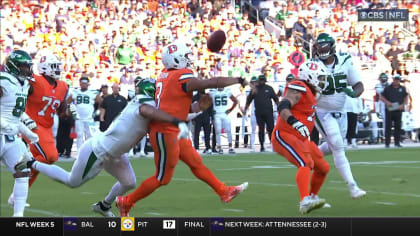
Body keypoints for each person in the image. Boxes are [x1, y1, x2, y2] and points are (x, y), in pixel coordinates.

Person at [15, 79, 190, 217]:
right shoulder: (143, 104)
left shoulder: (148, 104)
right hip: (98, 150)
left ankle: (104, 206)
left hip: (115, 154)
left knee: (129, 182)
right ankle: (31, 162)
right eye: (158, 90)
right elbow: (150, 112)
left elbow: (170, 113)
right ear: (151, 91)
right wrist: (177, 120)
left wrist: (195, 111)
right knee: (72, 182)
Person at [116, 41, 249, 217]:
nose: (189, 59)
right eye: (186, 56)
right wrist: (237, 80)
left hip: (173, 129)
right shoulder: (181, 75)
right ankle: (126, 201)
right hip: (165, 131)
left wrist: (197, 108)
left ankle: (223, 191)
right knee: (162, 178)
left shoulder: (165, 75)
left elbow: (175, 107)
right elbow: (210, 82)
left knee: (195, 162)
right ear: (176, 59)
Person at [312, 33, 366, 199]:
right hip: (322, 112)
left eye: (325, 46)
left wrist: (354, 93)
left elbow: (359, 85)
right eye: (319, 46)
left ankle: (312, 157)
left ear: (332, 47)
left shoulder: (344, 61)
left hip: (340, 111)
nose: (322, 49)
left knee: (335, 145)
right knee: (338, 147)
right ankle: (353, 186)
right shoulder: (311, 66)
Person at [272, 60, 330, 214]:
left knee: (323, 167)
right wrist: (294, 122)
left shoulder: (311, 92)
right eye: (320, 77)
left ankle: (312, 197)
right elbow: (283, 105)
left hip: (302, 139)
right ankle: (304, 201)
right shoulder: (299, 86)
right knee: (305, 163)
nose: (322, 81)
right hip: (285, 134)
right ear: (310, 76)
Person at [13, 51, 72, 196]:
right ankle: (24, 165)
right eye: (54, 66)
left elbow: (61, 110)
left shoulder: (63, 86)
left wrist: (68, 109)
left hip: (47, 127)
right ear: (45, 67)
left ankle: (17, 194)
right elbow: (18, 93)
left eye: (58, 66)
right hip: (32, 125)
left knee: (39, 162)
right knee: (50, 156)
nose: (58, 69)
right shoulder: (34, 81)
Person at [1, 50, 38, 216]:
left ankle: (18, 217)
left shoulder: (24, 85)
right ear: (13, 66)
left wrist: (27, 132)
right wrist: (3, 123)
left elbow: (14, 115)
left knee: (23, 173)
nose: (27, 70)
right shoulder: (4, 80)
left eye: (28, 66)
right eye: (23, 66)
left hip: (10, 137)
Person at [244, 74, 280, 152]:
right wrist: (245, 108)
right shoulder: (255, 89)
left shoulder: (269, 88)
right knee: (261, 129)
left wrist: (279, 108)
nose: (262, 82)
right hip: (259, 112)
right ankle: (262, 146)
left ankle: (273, 144)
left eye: (263, 80)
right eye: (260, 80)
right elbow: (249, 100)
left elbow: (275, 99)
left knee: (271, 128)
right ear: (258, 81)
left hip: (269, 111)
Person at [67, 76, 99, 152]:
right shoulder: (75, 92)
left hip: (89, 118)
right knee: (79, 136)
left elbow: (102, 104)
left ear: (88, 84)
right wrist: (72, 111)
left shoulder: (93, 93)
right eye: (82, 83)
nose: (84, 85)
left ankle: (89, 151)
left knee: (90, 136)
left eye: (85, 83)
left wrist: (97, 113)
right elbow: (68, 102)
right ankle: (79, 152)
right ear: (80, 84)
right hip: (79, 118)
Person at [380, 74, 409, 148]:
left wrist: (403, 105)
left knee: (398, 126)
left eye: (398, 80)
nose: (396, 81)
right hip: (390, 109)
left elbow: (406, 97)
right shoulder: (388, 88)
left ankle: (397, 142)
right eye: (395, 79)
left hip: (398, 109)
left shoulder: (402, 88)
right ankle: (387, 143)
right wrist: (387, 102)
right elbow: (382, 96)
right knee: (388, 126)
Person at [209, 87, 238, 154]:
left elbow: (235, 101)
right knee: (218, 131)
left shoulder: (227, 91)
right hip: (217, 114)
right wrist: (211, 111)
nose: (221, 86)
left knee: (228, 130)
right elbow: (207, 102)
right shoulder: (213, 92)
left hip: (224, 114)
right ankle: (219, 147)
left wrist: (230, 110)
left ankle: (230, 147)